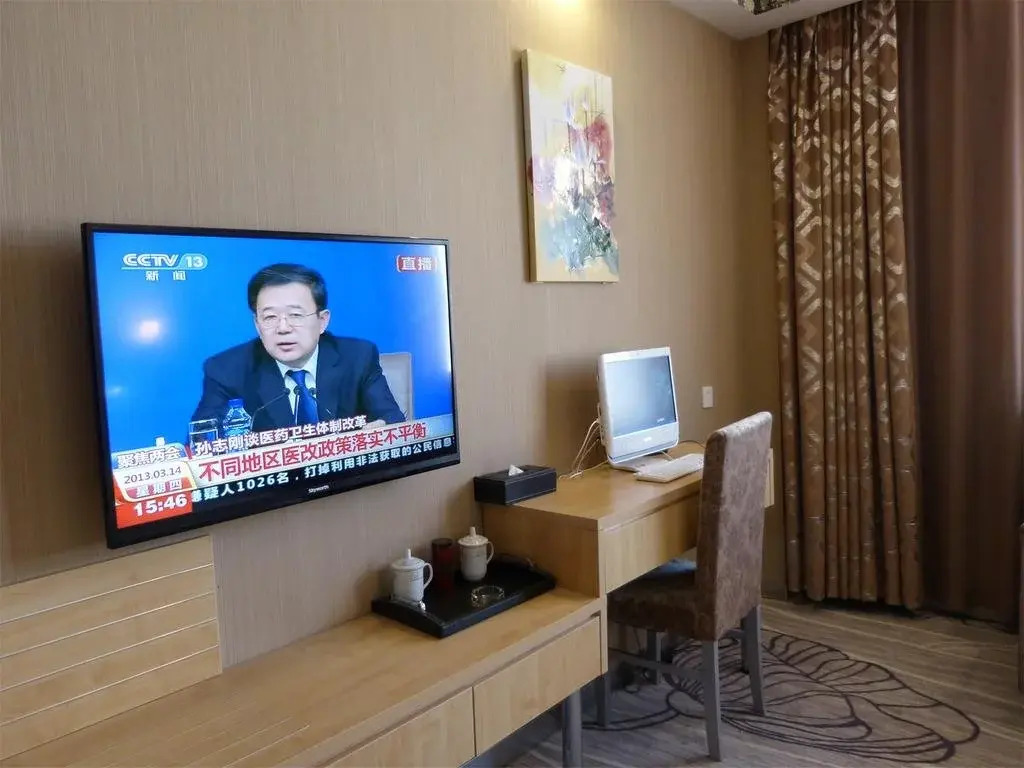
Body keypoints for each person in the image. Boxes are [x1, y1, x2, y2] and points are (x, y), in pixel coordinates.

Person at [190, 263, 405, 433]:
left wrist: (379, 430)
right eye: (270, 317)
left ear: (322, 321)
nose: (283, 328)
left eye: (295, 315)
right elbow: (203, 440)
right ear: (257, 324)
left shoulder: (358, 357)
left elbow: (392, 419)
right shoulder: (226, 370)